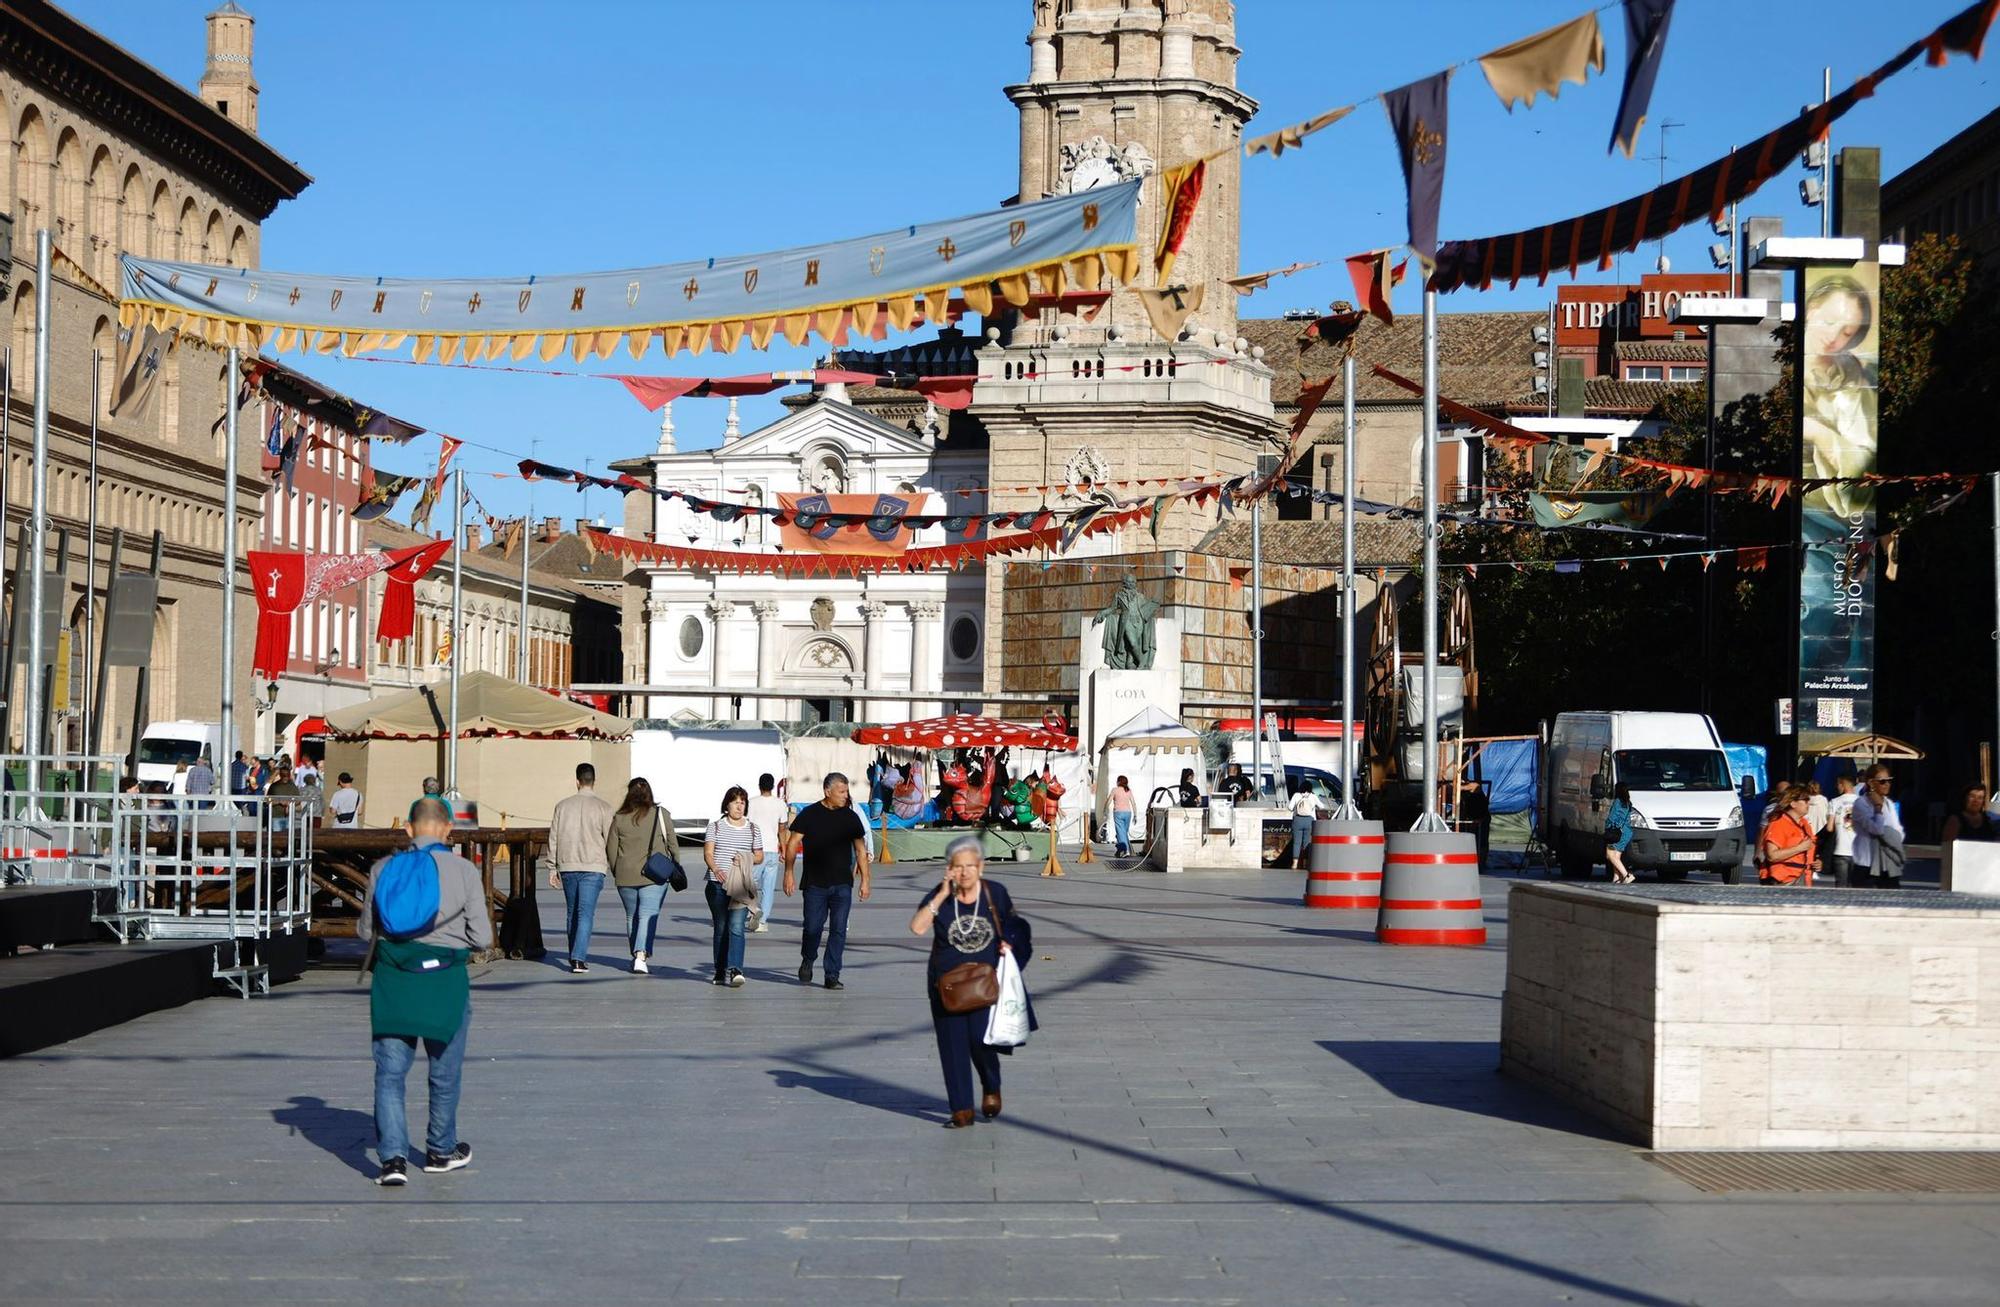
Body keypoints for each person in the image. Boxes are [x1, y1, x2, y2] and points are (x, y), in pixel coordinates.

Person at [359, 796, 489, 1187]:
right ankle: (440, 1150)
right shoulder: (464, 871)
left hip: (394, 980)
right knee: (444, 1072)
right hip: (444, 981)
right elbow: (481, 937)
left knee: (390, 1074)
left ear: (408, 828)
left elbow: (366, 932)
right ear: (448, 829)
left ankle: (393, 1161)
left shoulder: (384, 868)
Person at [909, 835, 1032, 1128]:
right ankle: (961, 1109)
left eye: (970, 866)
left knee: (981, 1042)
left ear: (981, 867)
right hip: (946, 985)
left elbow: (1015, 926)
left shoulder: (995, 893)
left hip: (985, 982)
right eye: (957, 866)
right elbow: (917, 928)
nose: (964, 872)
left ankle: (991, 1086)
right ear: (949, 868)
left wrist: (1010, 945)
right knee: (952, 1048)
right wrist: (940, 894)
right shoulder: (940, 897)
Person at [783, 771, 871, 989]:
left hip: (842, 883)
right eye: (841, 792)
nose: (845, 796)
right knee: (812, 927)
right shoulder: (810, 815)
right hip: (815, 884)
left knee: (839, 929)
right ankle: (808, 957)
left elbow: (861, 850)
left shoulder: (851, 817)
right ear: (827, 791)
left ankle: (832, 974)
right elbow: (793, 843)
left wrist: (866, 880)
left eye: (847, 791)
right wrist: (788, 872)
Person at [549, 763, 614, 975]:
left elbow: (554, 838)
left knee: (572, 913)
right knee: (585, 913)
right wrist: (612, 865)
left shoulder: (562, 806)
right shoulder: (604, 807)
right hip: (593, 866)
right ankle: (578, 958)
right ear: (594, 781)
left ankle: (574, 955)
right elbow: (610, 840)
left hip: (567, 864)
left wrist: (552, 867)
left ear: (577, 781)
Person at [604, 777, 674, 974]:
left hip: (625, 875)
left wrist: (618, 870)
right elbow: (673, 843)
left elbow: (611, 848)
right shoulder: (660, 814)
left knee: (631, 916)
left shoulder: (619, 818)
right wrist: (675, 864)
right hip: (655, 875)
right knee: (646, 916)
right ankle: (640, 955)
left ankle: (636, 955)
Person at [703, 786, 763, 987]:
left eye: (743, 802)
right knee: (721, 927)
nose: (739, 806)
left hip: (740, 886)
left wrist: (746, 857)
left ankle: (736, 969)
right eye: (735, 802)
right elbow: (708, 853)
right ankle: (720, 970)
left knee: (736, 927)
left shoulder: (753, 828)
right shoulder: (716, 826)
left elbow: (760, 855)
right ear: (726, 805)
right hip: (717, 884)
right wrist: (716, 869)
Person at [1852, 763, 1906, 888]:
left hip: (1887, 863)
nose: (1887, 784)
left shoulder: (1889, 804)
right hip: (1866, 863)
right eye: (1882, 781)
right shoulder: (1861, 804)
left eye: (1889, 781)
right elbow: (1877, 829)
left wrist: (1890, 836)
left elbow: (1899, 831)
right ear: (1871, 783)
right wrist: (1877, 808)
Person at [747, 773, 789, 934]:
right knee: (769, 888)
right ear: (773, 786)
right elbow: (782, 828)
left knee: (750, 884)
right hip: (772, 848)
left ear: (759, 785)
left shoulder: (751, 803)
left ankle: (752, 910)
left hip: (756, 850)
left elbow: (747, 826)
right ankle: (762, 921)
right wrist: (783, 850)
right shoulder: (780, 804)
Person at [1937, 781, 1999, 888]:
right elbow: (1947, 849)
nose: (1976, 801)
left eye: (1980, 797)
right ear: (1965, 798)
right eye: (1972, 796)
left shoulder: (1988, 820)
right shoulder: (1955, 820)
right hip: (1962, 874)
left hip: (1986, 874)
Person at [1759, 786, 1818, 886]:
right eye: (1805, 800)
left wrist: (1816, 862)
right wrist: (1800, 848)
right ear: (1793, 803)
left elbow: (1808, 851)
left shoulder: (1805, 824)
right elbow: (1772, 855)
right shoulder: (1779, 823)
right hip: (1782, 882)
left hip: (1803, 880)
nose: (1809, 803)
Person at [1824, 773, 1861, 887]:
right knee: (1857, 886)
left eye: (1838, 784)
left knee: (1841, 886)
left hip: (1841, 850)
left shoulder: (1834, 802)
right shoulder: (1863, 802)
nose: (1837, 787)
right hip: (1859, 851)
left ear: (1842, 785)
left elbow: (1829, 828)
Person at [1287, 779, 1324, 871]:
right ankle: (1306, 863)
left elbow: (1290, 807)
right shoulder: (1313, 796)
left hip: (1297, 820)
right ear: (1310, 788)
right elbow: (1322, 806)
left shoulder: (1296, 795)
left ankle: (1295, 864)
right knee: (1307, 843)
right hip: (1309, 821)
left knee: (1296, 843)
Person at [1603, 783, 1636, 884]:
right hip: (1626, 832)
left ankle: (1626, 875)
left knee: (1610, 855)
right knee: (1616, 857)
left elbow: (1612, 817)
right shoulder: (1628, 803)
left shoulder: (1617, 802)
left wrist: (1607, 825)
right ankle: (1616, 878)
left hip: (1615, 833)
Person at [264, 759, 302, 835]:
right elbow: (267, 800)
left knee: (288, 837)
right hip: (276, 817)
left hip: (289, 817)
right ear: (280, 775)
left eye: (287, 775)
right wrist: (279, 801)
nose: (285, 777)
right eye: (283, 775)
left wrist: (289, 803)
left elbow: (298, 800)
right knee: (277, 838)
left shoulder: (293, 786)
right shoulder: (274, 786)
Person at [1108, 775, 1136, 857]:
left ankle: (1125, 850)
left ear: (1119, 782)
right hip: (1128, 813)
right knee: (1123, 833)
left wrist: (1104, 810)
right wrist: (1135, 814)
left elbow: (1109, 800)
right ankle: (1124, 850)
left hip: (1118, 813)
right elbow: (1133, 803)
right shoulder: (1128, 791)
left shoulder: (1115, 790)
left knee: (1121, 833)